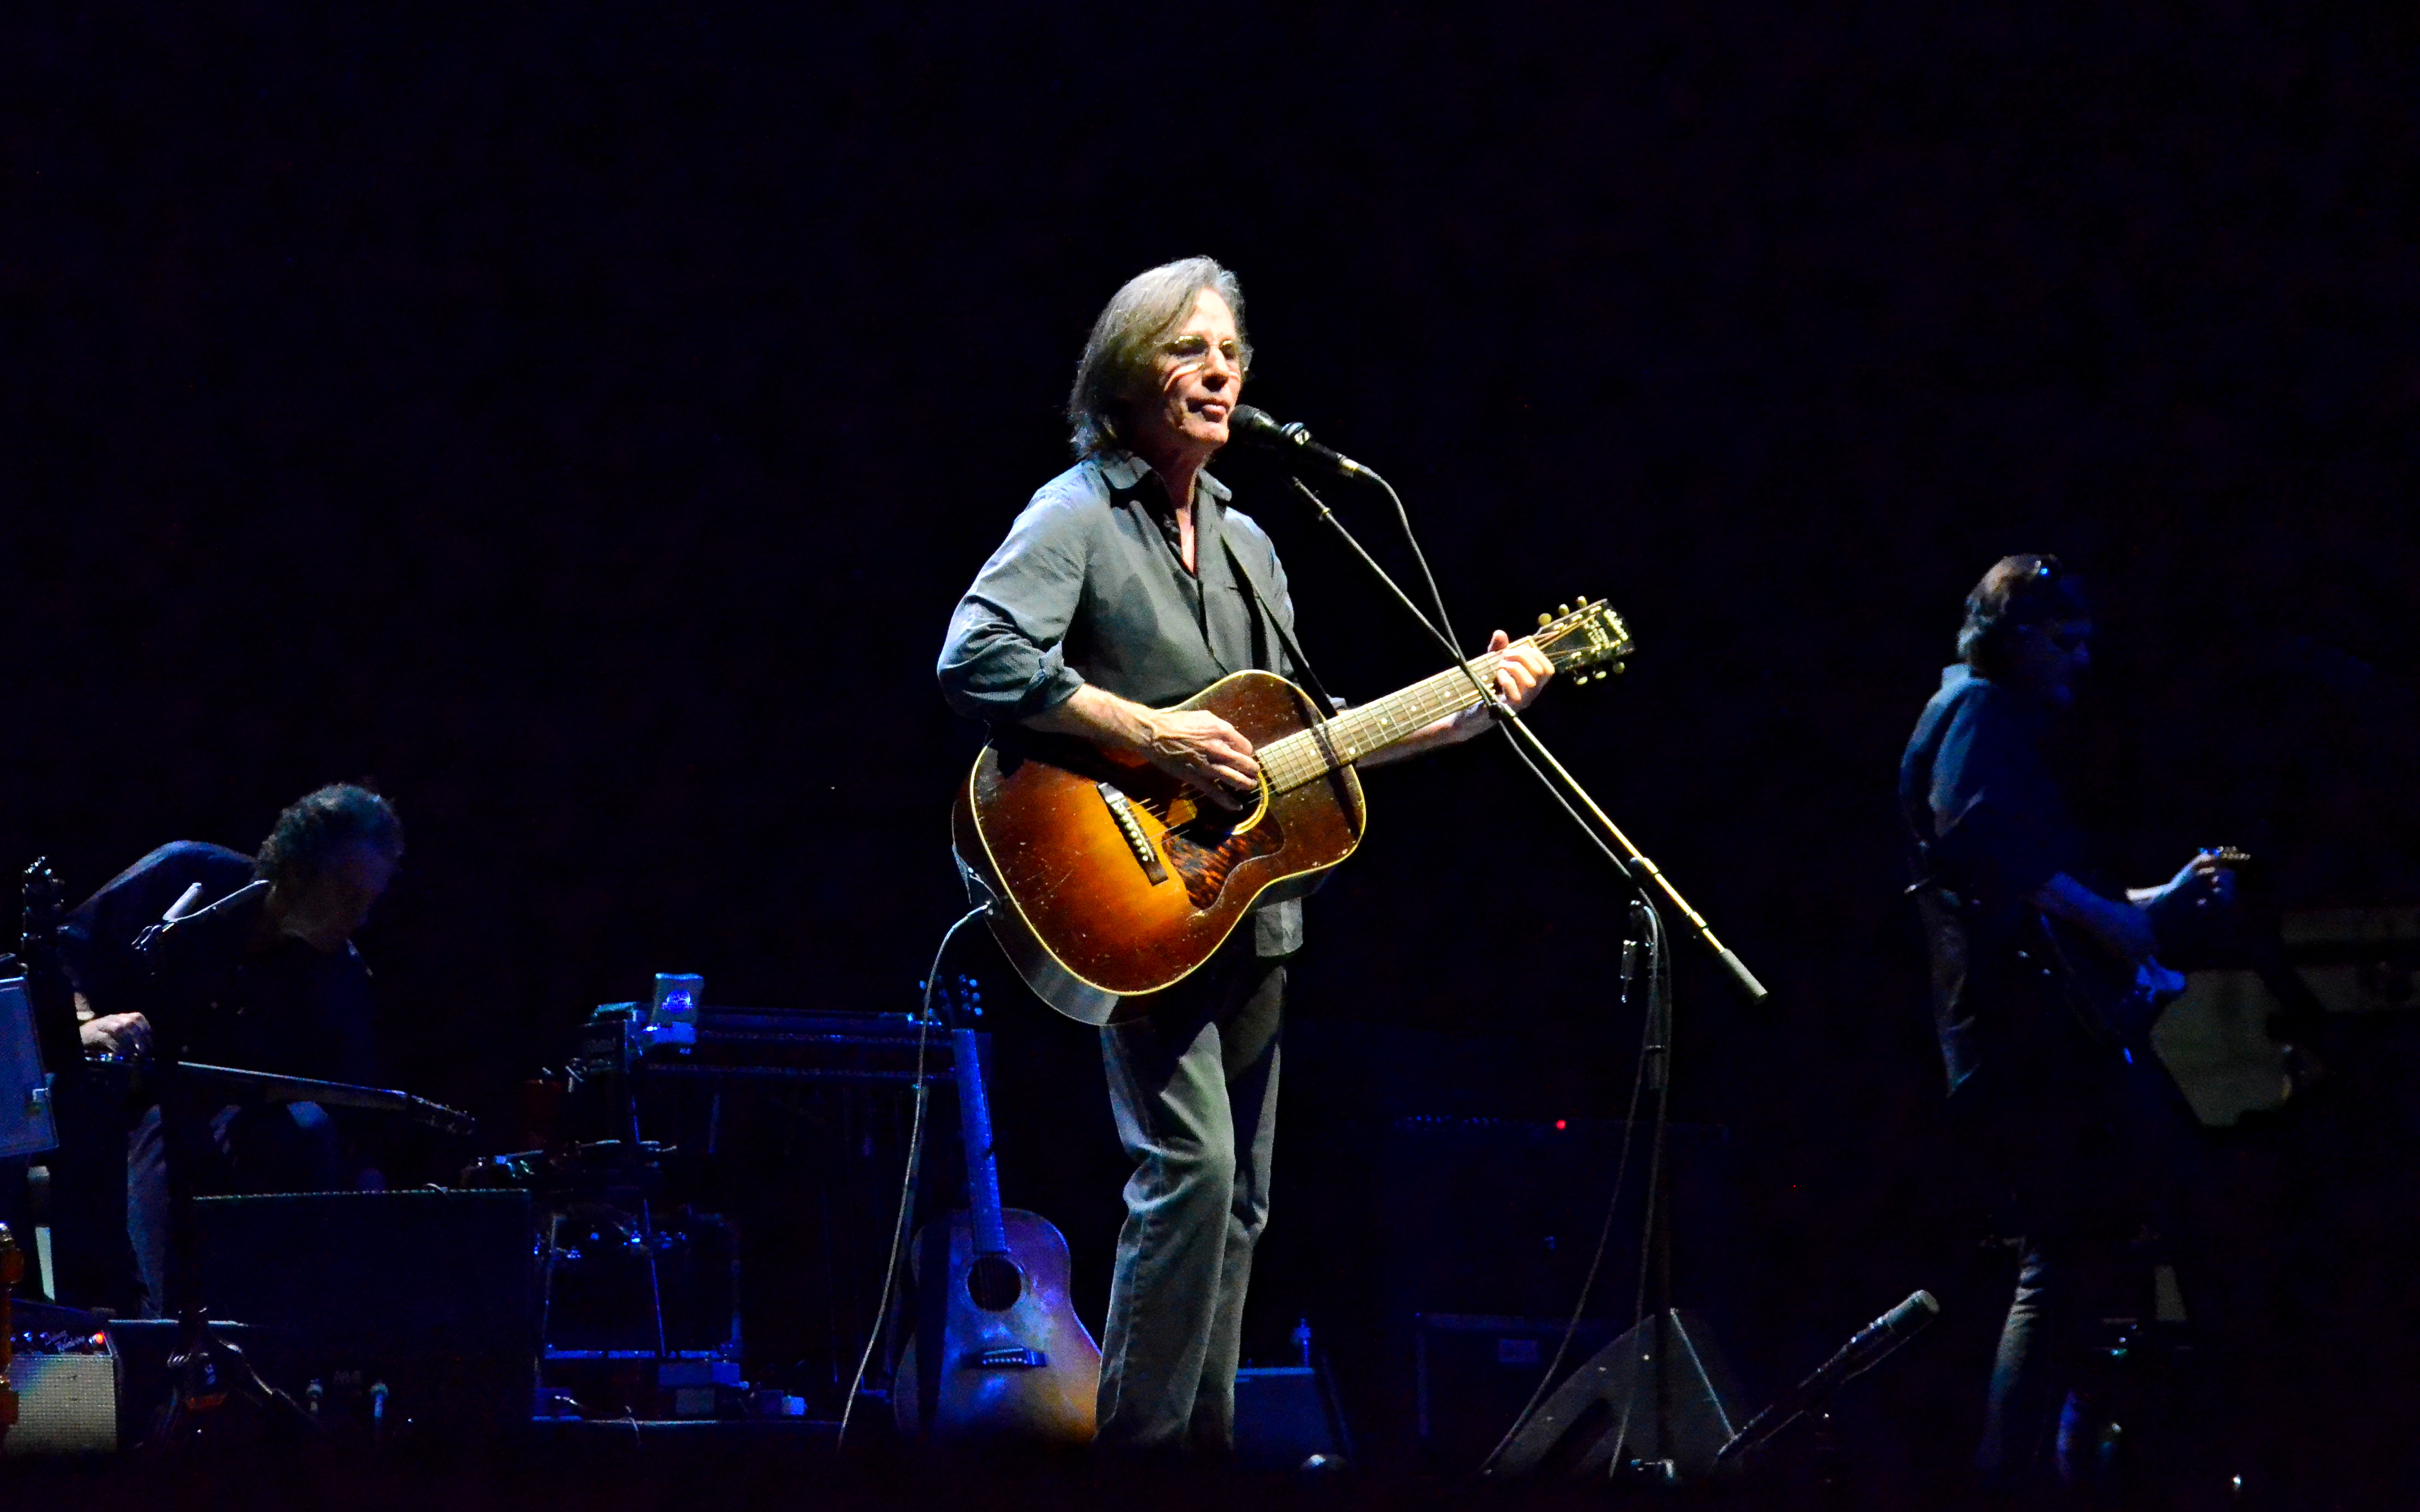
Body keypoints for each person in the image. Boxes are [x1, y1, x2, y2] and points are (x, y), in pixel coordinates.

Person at [937, 257, 1553, 1452]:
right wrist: (1148, 726)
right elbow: (976, 654)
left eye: (1231, 351)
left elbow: (1313, 740)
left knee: (1246, 1203)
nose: (1219, 369)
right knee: (1194, 1168)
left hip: (1245, 905)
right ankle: (1146, 1458)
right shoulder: (1076, 513)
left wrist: (1474, 705)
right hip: (1130, 898)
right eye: (1188, 348)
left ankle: (1200, 1449)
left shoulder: (1252, 542)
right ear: (1129, 371)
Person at [1899, 555, 2235, 1489]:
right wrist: (2121, 923)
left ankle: (2060, 1465)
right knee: (2075, 1251)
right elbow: (1974, 843)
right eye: (2065, 637)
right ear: (2010, 630)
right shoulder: (1973, 710)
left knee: (2093, 1250)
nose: (2082, 660)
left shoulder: (1985, 720)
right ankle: (2016, 1475)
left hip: (2035, 1039)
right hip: (2023, 1045)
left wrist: (2151, 902)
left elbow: (2029, 880)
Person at [47, 782, 403, 1313]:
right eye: (350, 897)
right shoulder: (185, 875)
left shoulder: (338, 974)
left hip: (221, 1124)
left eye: (370, 902)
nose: (362, 918)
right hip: (118, 1103)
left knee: (305, 1136)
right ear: (299, 872)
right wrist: (87, 1021)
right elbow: (66, 949)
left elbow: (350, 1100)